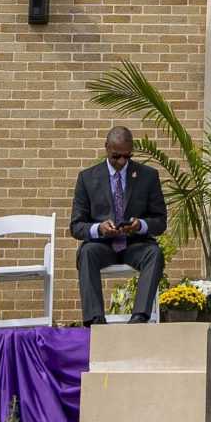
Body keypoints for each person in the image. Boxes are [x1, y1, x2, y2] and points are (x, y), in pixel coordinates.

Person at [71, 126, 168, 325]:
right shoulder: (87, 178)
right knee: (86, 252)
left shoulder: (148, 176)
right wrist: (98, 228)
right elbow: (76, 226)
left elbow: (160, 222)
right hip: (102, 246)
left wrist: (139, 225)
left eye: (127, 156)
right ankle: (95, 320)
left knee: (155, 253)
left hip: (135, 245)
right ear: (106, 148)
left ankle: (139, 318)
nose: (122, 162)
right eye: (116, 157)